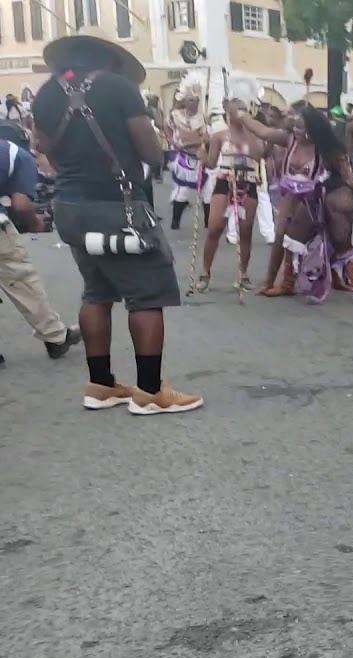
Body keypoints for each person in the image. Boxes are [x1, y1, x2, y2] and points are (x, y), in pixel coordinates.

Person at [32, 35, 202, 414]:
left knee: (97, 290)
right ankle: (150, 392)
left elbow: (43, 146)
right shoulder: (117, 87)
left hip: (70, 205)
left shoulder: (46, 93)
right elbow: (149, 151)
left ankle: (101, 385)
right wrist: (155, 155)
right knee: (146, 294)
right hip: (118, 204)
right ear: (108, 61)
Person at [233, 101, 353, 304]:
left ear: (312, 130)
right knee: (284, 237)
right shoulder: (288, 139)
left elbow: (349, 177)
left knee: (340, 241)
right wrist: (241, 115)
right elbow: (263, 131)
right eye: (295, 126)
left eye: (301, 127)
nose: (296, 130)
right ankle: (279, 283)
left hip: (317, 199)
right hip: (290, 196)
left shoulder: (326, 149)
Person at [0, 137, 82, 363]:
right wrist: (34, 222)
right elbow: (21, 204)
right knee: (21, 279)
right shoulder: (21, 156)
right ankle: (56, 336)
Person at [194, 98, 266, 293]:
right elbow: (211, 162)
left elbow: (260, 155)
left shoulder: (255, 135)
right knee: (215, 227)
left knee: (246, 230)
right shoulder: (219, 136)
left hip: (248, 181)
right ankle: (205, 272)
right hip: (225, 181)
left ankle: (243, 274)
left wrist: (248, 132)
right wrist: (202, 157)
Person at [167, 83, 206, 229]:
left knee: (207, 191)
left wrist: (191, 143)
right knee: (182, 191)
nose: (193, 103)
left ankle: (209, 222)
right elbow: (167, 126)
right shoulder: (175, 115)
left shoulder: (203, 118)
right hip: (183, 158)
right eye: (190, 100)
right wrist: (172, 139)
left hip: (199, 157)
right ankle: (175, 221)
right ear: (184, 101)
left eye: (196, 100)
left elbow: (206, 138)